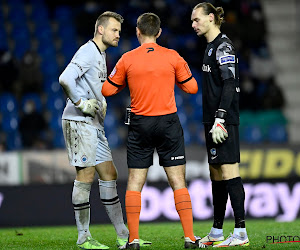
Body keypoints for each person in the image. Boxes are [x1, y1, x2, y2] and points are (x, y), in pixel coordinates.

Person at [102, 12, 207, 249]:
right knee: (178, 181)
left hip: (140, 124)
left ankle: (134, 240)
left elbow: (107, 91)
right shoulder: (172, 57)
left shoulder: (127, 59)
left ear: (137, 32)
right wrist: (174, 78)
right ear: (159, 33)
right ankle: (190, 238)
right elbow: (192, 88)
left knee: (135, 182)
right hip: (168, 122)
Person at [59, 11, 151, 250]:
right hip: (79, 121)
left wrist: (100, 102)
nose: (118, 34)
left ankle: (124, 235)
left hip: (93, 124)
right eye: (114, 30)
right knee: (86, 176)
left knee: (109, 173)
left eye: (119, 31)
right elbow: (65, 78)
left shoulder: (100, 54)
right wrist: (81, 103)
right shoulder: (88, 51)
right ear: (101, 29)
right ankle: (83, 237)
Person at [191, 2, 250, 247]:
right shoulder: (209, 48)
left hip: (222, 120)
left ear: (211, 18)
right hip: (212, 119)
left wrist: (221, 118)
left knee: (229, 171)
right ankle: (216, 231)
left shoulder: (223, 46)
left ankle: (240, 232)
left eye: (196, 19)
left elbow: (229, 83)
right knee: (216, 173)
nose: (193, 24)